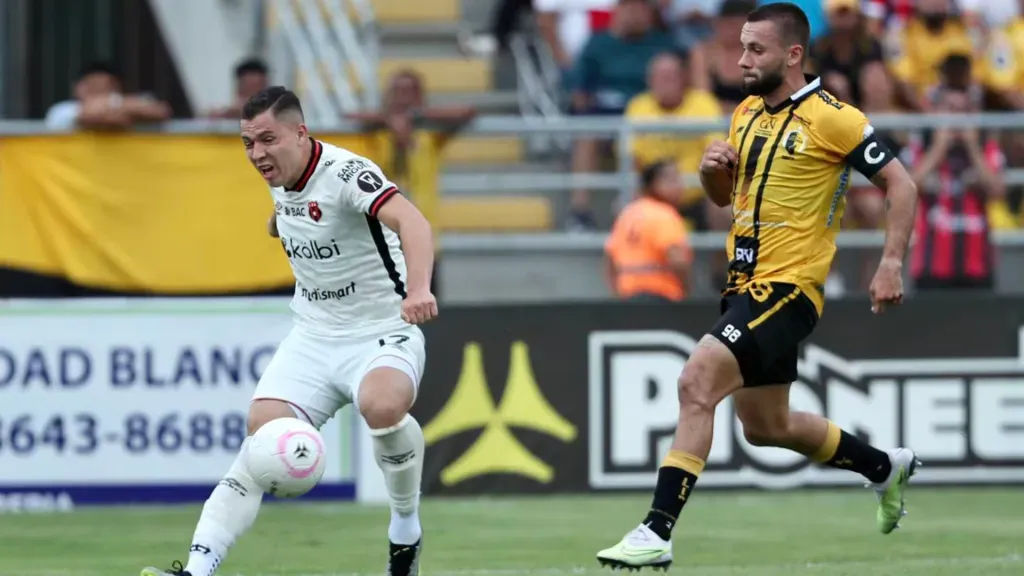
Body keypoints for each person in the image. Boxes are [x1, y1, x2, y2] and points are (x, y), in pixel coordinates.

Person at [596, 3, 920, 570]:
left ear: (793, 55)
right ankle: (883, 467)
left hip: (788, 289)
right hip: (742, 285)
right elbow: (726, 200)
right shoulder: (745, 113)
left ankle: (656, 530)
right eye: (743, 47)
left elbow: (902, 183)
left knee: (696, 381)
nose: (742, 60)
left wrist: (891, 261)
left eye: (756, 50)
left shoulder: (834, 117)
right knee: (767, 427)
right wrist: (709, 173)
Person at [141, 87, 437, 576]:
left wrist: (419, 290)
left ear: (301, 133)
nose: (257, 153)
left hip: (382, 328)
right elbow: (297, 212)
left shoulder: (346, 173)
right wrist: (280, 221)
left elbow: (413, 221)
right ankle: (195, 571)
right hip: (314, 337)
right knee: (260, 437)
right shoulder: (278, 173)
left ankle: (405, 529)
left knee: (382, 407)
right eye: (247, 143)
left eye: (267, 139)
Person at [604, 161, 693, 302]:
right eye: (671, 180)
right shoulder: (665, 214)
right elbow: (677, 260)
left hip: (628, 299)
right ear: (652, 184)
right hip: (661, 297)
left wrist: (617, 293)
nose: (679, 186)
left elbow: (609, 260)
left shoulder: (627, 214)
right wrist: (687, 290)